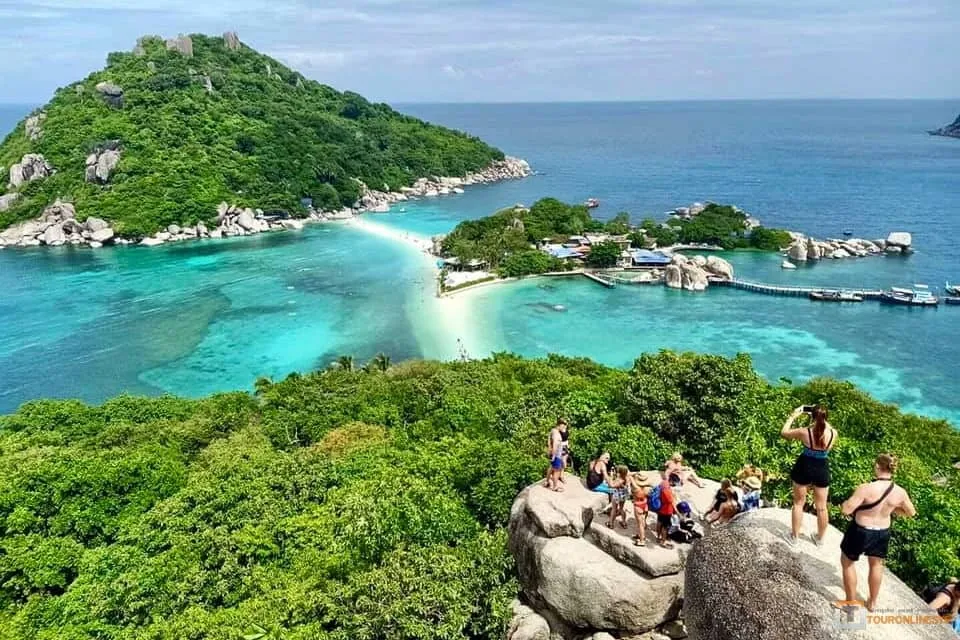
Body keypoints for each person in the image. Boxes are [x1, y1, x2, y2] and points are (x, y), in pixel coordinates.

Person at [840, 453, 916, 612]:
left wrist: (845, 503)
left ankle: (850, 603)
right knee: (876, 565)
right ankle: (872, 603)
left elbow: (846, 510)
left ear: (877, 466)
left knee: (847, 562)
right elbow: (911, 512)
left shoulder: (866, 488)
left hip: (861, 530)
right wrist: (892, 510)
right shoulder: (900, 492)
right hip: (882, 532)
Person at [781, 404, 837, 546]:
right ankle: (820, 539)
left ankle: (794, 538)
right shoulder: (833, 433)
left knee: (798, 503)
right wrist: (819, 418)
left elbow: (784, 432)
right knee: (822, 507)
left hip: (804, 466)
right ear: (826, 417)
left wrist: (793, 416)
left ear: (812, 417)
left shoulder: (804, 432)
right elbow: (824, 430)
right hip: (822, 468)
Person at [653, 469, 676, 548]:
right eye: (674, 483)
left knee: (659, 522)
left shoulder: (663, 482)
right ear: (672, 481)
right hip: (666, 510)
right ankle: (663, 541)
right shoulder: (667, 489)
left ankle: (658, 537)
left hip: (660, 507)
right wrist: (673, 496)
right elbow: (670, 501)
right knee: (665, 526)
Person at [544, 419, 568, 492]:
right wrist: (554, 456)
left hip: (554, 454)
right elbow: (555, 446)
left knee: (551, 467)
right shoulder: (557, 435)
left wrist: (549, 448)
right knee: (557, 471)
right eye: (563, 426)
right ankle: (555, 487)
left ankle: (547, 482)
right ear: (559, 425)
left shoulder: (553, 430)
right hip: (556, 455)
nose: (563, 428)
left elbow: (549, 438)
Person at [629, 472, 650, 546]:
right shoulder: (647, 488)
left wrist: (635, 473)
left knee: (640, 524)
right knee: (643, 522)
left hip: (638, 505)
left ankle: (642, 541)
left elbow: (629, 475)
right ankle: (640, 535)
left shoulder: (636, 488)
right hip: (645, 504)